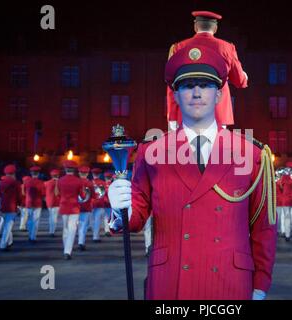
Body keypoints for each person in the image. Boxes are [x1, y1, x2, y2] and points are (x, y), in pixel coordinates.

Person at [108, 45, 276, 300]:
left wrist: (260, 286)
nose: (197, 93)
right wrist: (121, 209)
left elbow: (264, 227)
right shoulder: (151, 151)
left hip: (230, 283)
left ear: (220, 95)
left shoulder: (250, 153)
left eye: (205, 85)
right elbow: (136, 218)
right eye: (187, 86)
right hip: (171, 283)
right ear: (175, 96)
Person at [166, 10, 248, 130]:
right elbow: (240, 81)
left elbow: (171, 85)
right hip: (217, 113)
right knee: (218, 148)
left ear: (195, 27)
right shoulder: (226, 48)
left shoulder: (179, 47)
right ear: (215, 28)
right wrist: (244, 76)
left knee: (187, 148)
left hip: (187, 112)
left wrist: (172, 116)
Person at [57, 160, 85, 260]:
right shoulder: (78, 181)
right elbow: (82, 195)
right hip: (74, 207)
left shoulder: (60, 180)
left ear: (65, 169)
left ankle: (66, 248)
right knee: (72, 229)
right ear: (74, 170)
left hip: (63, 206)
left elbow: (58, 193)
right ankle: (67, 251)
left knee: (65, 229)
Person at [0, 164, 22, 251]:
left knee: (6, 224)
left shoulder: (1, 182)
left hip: (3, 205)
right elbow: (19, 196)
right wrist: (20, 205)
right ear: (13, 173)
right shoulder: (16, 183)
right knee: (8, 226)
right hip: (12, 206)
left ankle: (9, 242)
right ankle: (3, 244)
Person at [23, 166, 45, 243]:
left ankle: (30, 235)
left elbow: (24, 192)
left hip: (29, 202)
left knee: (30, 219)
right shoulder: (41, 182)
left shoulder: (27, 182)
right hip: (37, 202)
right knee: (35, 220)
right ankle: (33, 236)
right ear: (38, 173)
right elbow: (43, 193)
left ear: (31, 173)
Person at [279, 161, 292, 242]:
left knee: (287, 217)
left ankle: (287, 234)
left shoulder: (284, 177)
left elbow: (280, 186)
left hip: (286, 199)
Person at [78, 166, 94, 251]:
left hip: (76, 207)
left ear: (79, 173)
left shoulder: (76, 182)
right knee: (84, 226)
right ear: (87, 174)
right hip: (87, 207)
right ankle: (81, 242)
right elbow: (94, 196)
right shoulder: (90, 183)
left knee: (78, 225)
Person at [44, 169, 61, 237]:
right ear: (58, 175)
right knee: (54, 217)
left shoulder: (46, 183)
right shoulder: (60, 182)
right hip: (57, 202)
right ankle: (52, 231)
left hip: (49, 201)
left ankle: (51, 230)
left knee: (51, 216)